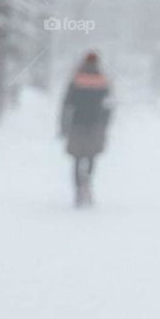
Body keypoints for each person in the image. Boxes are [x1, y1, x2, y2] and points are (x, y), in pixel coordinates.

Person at [59, 51, 113, 206]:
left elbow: (67, 104)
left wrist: (63, 126)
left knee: (76, 159)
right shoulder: (103, 81)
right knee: (91, 157)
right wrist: (105, 124)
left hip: (77, 125)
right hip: (95, 126)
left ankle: (77, 190)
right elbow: (108, 105)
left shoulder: (76, 80)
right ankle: (87, 183)